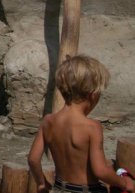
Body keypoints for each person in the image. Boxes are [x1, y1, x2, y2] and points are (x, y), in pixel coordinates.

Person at [27, 55, 133, 193]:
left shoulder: (48, 121)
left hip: (59, 188)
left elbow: (33, 159)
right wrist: (124, 183)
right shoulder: (92, 127)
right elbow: (100, 171)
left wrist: (41, 184)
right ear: (93, 94)